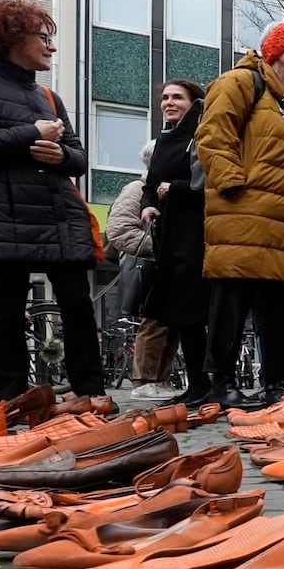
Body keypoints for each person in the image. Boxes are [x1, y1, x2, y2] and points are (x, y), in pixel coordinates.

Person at [0, 0, 106, 401]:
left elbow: (79, 157)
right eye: (44, 37)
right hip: (4, 213)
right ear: (13, 36)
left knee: (78, 306)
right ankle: (11, 401)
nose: (51, 46)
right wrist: (32, 133)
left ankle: (92, 394)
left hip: (57, 213)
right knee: (7, 309)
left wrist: (62, 154)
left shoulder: (49, 97)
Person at [193, 21, 284, 409]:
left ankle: (277, 384)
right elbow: (212, 136)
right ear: (278, 50)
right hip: (243, 214)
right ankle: (222, 383)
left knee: (278, 306)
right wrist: (235, 185)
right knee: (232, 299)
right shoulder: (241, 83)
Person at [140, 78, 208, 403]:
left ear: (193, 103)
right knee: (178, 313)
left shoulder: (200, 136)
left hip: (195, 235)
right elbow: (150, 185)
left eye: (177, 97)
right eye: (164, 97)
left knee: (193, 312)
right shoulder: (163, 141)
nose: (168, 102)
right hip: (168, 236)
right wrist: (149, 205)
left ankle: (203, 383)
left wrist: (175, 189)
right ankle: (196, 382)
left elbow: (208, 182)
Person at [104, 141, 166, 391]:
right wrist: (160, 247)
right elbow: (119, 231)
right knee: (153, 321)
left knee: (165, 322)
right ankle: (145, 380)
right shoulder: (137, 188)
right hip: (149, 263)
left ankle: (158, 379)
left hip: (159, 263)